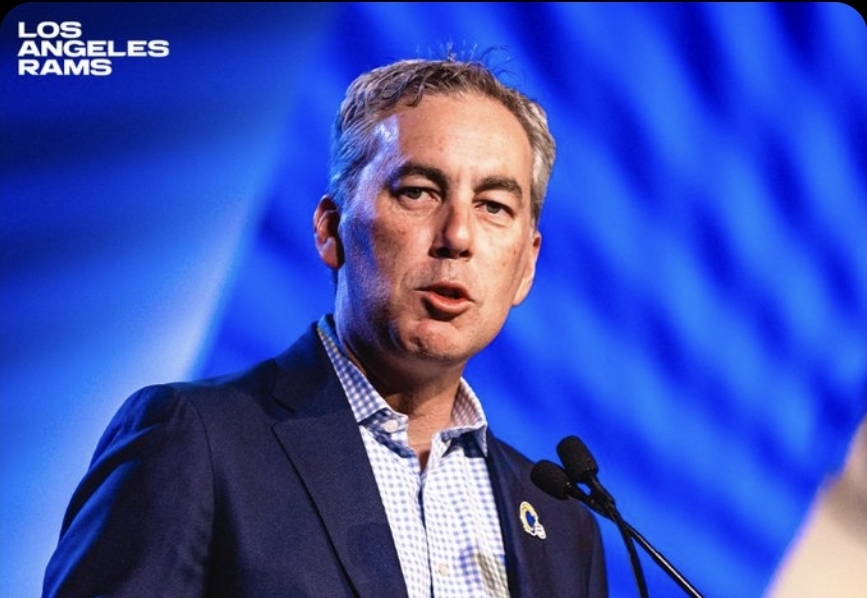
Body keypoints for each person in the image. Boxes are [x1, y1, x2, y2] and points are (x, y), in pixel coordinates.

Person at [43, 55, 607, 598]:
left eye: (494, 206)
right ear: (331, 230)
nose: (458, 235)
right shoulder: (195, 440)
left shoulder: (564, 522)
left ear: (526, 265)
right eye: (418, 192)